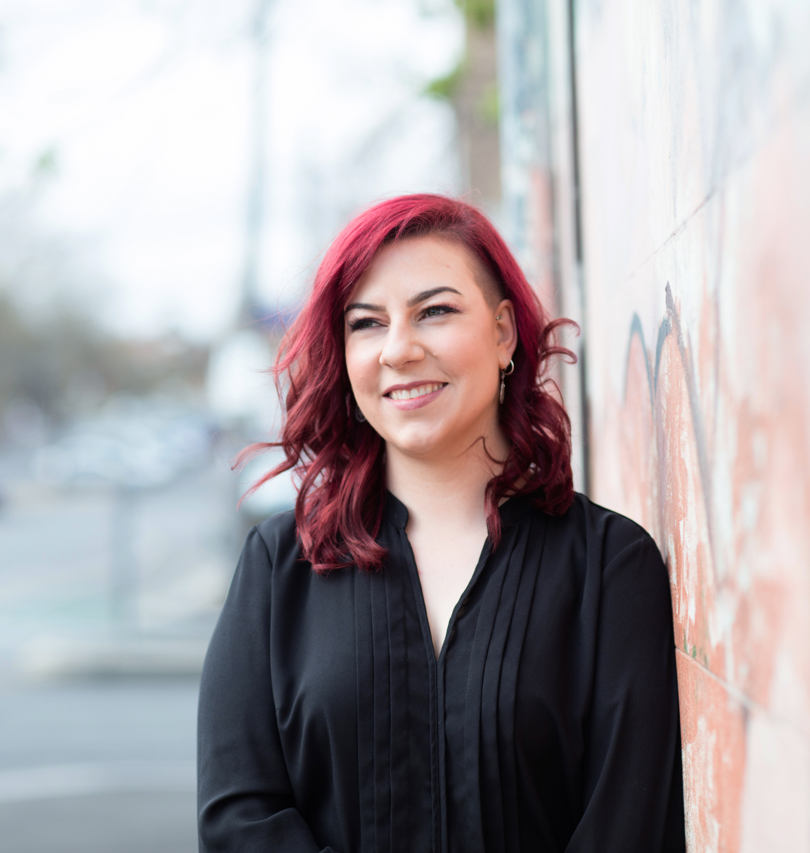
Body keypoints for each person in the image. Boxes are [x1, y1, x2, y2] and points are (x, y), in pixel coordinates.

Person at [198, 194, 685, 852]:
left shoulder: (609, 568)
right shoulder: (281, 566)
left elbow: (628, 827)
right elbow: (239, 819)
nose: (399, 349)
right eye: (366, 323)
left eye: (435, 311)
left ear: (504, 331)